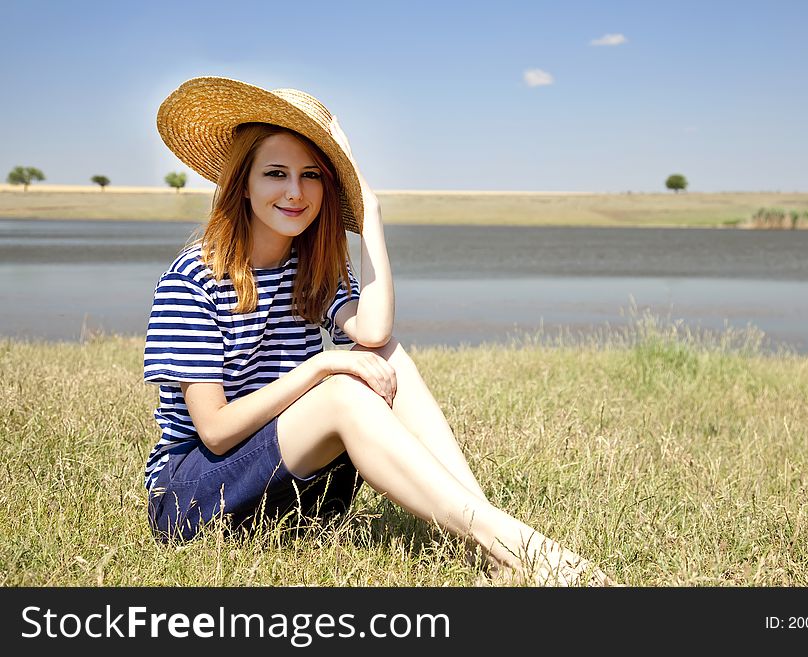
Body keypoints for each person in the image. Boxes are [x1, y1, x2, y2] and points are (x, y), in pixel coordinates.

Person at [143, 76, 618, 587]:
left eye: (312, 176)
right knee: (342, 388)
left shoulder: (309, 270)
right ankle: (514, 547)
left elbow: (374, 332)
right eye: (275, 173)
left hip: (293, 497)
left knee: (385, 354)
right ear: (243, 183)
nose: (295, 192)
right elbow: (213, 430)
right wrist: (323, 365)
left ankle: (489, 533)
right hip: (192, 500)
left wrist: (370, 211)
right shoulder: (194, 277)